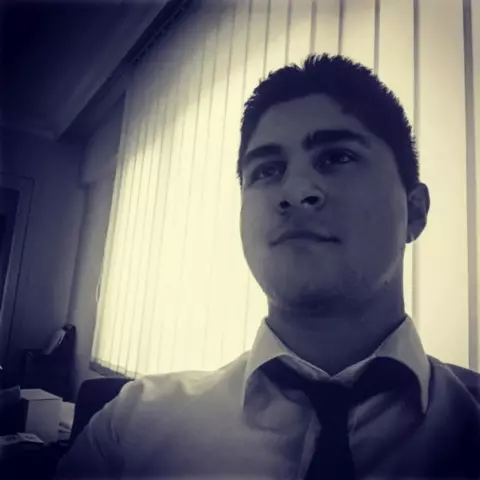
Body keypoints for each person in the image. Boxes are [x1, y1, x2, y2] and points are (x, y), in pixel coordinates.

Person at [55, 53, 480, 479]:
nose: (294, 191)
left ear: (415, 211)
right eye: (267, 170)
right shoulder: (131, 428)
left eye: (337, 157)